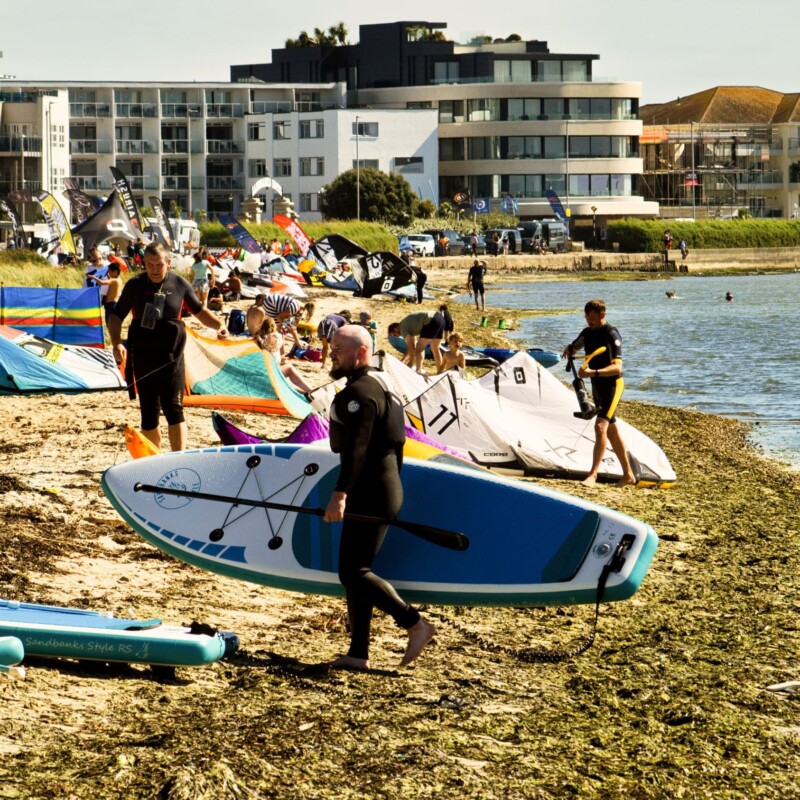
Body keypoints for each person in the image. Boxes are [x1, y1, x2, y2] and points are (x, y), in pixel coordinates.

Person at [323, 324, 435, 670]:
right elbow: (396, 446)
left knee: (353, 572)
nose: (332, 354)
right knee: (355, 571)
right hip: (380, 487)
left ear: (361, 352)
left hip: (370, 489)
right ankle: (358, 653)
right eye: (332, 347)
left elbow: (357, 448)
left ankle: (416, 624)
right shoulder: (381, 385)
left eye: (339, 349)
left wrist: (340, 493)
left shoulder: (361, 392)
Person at [107, 241, 228, 452]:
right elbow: (116, 317)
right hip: (143, 356)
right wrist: (117, 342)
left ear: (168, 263)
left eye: (159, 264)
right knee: (149, 414)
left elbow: (200, 313)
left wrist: (220, 325)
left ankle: (177, 458)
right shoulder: (135, 285)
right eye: (149, 264)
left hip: (172, 358)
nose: (154, 269)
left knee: (174, 409)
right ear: (143, 263)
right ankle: (155, 461)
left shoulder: (180, 285)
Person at [561, 299, 636, 488]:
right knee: (611, 431)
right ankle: (628, 475)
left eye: (592, 318)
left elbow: (617, 368)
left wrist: (592, 373)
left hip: (612, 386)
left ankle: (592, 475)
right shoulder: (587, 333)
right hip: (597, 387)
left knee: (600, 427)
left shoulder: (611, 334)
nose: (589, 321)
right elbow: (575, 347)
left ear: (602, 315)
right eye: (586, 318)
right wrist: (568, 348)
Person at [255, 317, 311, 394]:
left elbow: (269, 352)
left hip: (262, 373)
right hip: (268, 375)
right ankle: (310, 391)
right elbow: (273, 343)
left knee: (287, 386)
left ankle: (308, 393)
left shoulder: (259, 340)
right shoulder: (273, 337)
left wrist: (280, 358)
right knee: (289, 368)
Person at [415, 303, 453, 373]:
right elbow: (451, 319)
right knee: (438, 345)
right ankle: (440, 370)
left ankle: (418, 370)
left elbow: (442, 316)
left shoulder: (442, 311)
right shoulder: (448, 312)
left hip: (441, 323)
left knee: (421, 347)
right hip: (446, 324)